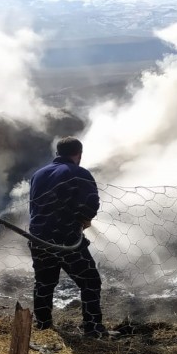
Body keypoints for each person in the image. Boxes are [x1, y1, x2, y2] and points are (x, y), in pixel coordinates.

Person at [28, 136, 113, 338]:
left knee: (44, 283)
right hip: (67, 240)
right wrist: (84, 219)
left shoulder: (38, 174)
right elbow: (91, 202)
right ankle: (93, 329)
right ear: (79, 155)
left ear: (57, 153)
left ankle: (43, 325)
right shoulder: (78, 173)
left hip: (38, 238)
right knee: (90, 281)